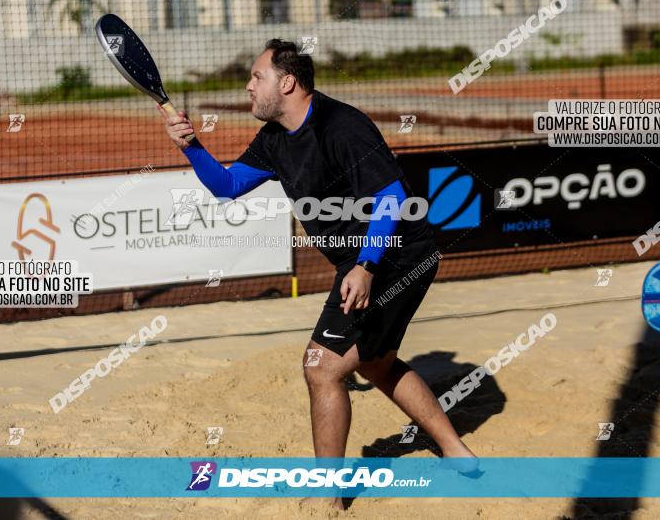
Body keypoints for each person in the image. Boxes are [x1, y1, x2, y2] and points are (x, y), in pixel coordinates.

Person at [160, 39, 476, 507]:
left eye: (256, 77)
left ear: (287, 82)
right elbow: (227, 186)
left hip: (397, 253)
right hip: (366, 260)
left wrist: (367, 266)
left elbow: (390, 198)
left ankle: (329, 491)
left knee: (321, 368)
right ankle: (456, 450)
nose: (248, 87)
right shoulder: (274, 137)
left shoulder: (342, 125)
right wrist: (192, 147)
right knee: (375, 364)